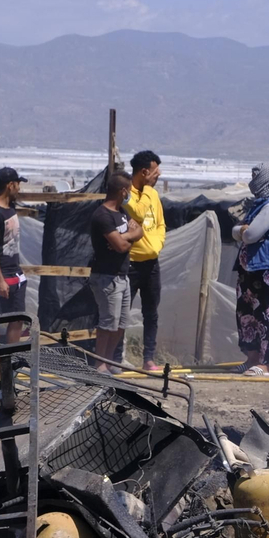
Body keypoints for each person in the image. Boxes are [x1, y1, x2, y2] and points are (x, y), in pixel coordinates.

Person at [231, 163, 269, 375]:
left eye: (256, 176)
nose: (252, 181)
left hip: (267, 271)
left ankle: (265, 364)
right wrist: (242, 230)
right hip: (250, 270)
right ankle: (252, 358)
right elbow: (237, 230)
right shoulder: (258, 204)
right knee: (248, 314)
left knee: (267, 314)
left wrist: (243, 231)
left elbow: (249, 234)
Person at [88, 170, 142, 372]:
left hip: (122, 276)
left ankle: (109, 360)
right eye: (128, 190)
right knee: (107, 322)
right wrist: (130, 237)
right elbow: (120, 246)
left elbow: (139, 231)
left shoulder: (122, 213)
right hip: (106, 277)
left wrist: (126, 236)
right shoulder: (102, 216)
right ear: (123, 190)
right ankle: (99, 363)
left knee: (121, 323)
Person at [0, 166, 29, 382]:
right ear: (10, 185)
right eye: (17, 184)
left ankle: (10, 363)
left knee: (17, 318)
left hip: (15, 272)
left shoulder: (11, 208)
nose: (19, 188)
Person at [124, 150, 165, 371]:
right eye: (155, 172)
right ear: (144, 172)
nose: (159, 176)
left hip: (151, 263)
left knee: (151, 312)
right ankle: (116, 356)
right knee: (122, 312)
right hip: (130, 263)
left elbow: (159, 224)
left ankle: (148, 357)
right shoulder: (127, 193)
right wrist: (147, 188)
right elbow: (138, 213)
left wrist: (156, 245)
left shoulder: (154, 196)